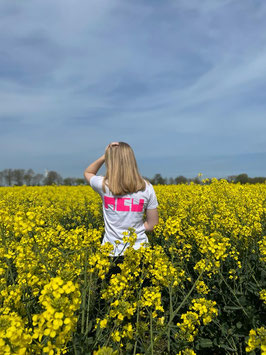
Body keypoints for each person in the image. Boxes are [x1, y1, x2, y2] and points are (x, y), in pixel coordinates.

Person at [83, 142, 159, 281]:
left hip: (111, 253)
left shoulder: (104, 185)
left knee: (111, 299)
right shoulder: (147, 188)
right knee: (139, 297)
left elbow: (88, 172)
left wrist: (104, 156)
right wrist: (138, 230)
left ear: (111, 161)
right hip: (140, 252)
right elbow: (153, 224)